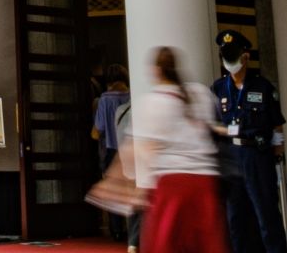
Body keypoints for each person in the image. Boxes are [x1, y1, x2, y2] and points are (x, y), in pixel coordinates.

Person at [134, 47, 228, 253]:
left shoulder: (152, 101)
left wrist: (143, 186)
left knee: (167, 244)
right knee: (205, 244)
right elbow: (210, 127)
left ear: (156, 71)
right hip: (204, 180)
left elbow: (147, 148)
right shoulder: (200, 93)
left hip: (172, 182)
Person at [210, 32, 286, 253]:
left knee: (267, 216)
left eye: (233, 57)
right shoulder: (219, 88)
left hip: (257, 155)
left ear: (246, 56)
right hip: (231, 156)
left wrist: (277, 156)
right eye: (226, 57)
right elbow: (213, 123)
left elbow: (276, 126)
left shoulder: (262, 87)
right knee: (235, 218)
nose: (229, 63)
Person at [93, 65, 142, 251]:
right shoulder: (133, 96)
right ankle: (134, 233)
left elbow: (99, 129)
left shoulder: (104, 100)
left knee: (116, 188)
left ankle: (116, 230)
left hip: (112, 148)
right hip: (132, 147)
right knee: (134, 188)